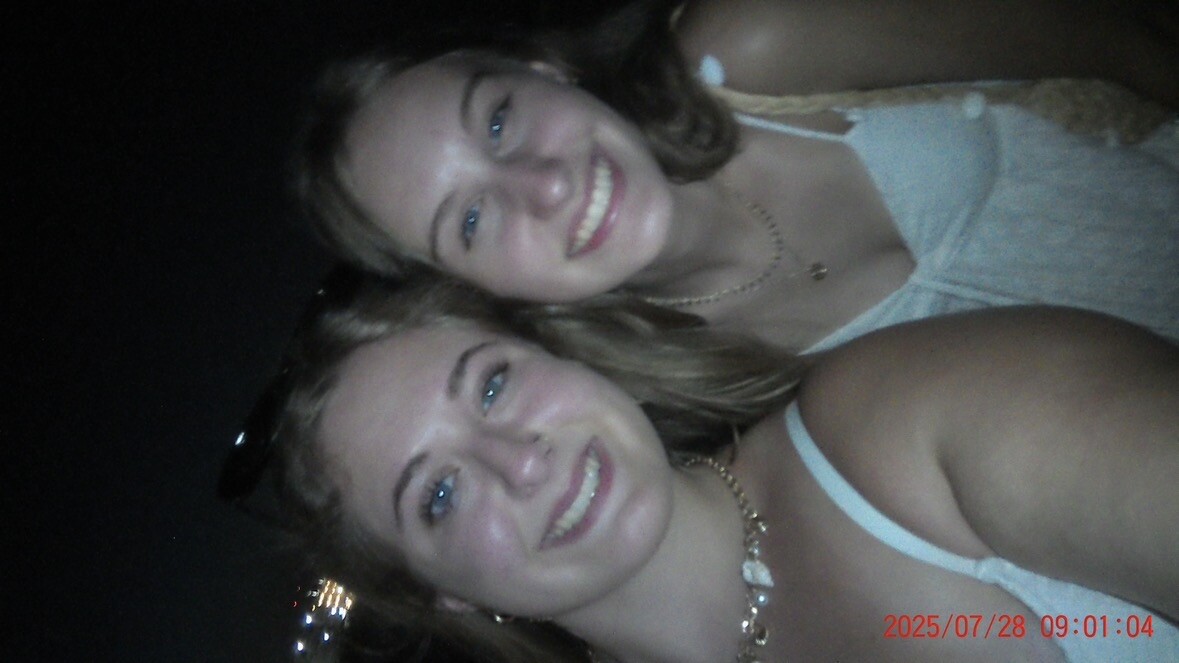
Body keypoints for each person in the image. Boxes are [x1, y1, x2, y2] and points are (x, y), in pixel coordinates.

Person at [236, 271, 1178, 662]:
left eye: (491, 385)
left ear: (564, 355)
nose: (519, 462)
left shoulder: (893, 424)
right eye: (439, 493)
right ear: (440, 592)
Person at [293, 0, 1179, 352]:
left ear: (544, 71)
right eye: (470, 221)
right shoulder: (682, 390)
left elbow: (1109, 39)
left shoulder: (756, 45)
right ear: (477, 290)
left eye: (497, 119)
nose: (543, 184)